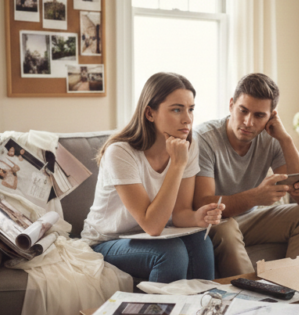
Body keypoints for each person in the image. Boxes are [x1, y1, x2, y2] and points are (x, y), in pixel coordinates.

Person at [81, 72, 223, 283]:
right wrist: (177, 164)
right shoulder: (120, 153)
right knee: (171, 253)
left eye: (190, 109)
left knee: (201, 241)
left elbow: (181, 212)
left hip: (152, 236)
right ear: (150, 113)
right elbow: (152, 225)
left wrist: (197, 217)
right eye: (176, 109)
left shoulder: (189, 146)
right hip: (106, 241)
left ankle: (205, 311)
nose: (187, 119)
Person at [193, 72, 299, 277]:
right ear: (231, 105)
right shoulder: (204, 138)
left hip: (251, 219)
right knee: (225, 228)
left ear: (271, 116)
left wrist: (286, 139)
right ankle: (252, 298)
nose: (248, 122)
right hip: (217, 221)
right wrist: (256, 196)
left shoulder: (272, 138)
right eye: (243, 111)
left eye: (259, 115)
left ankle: (295, 291)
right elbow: (203, 203)